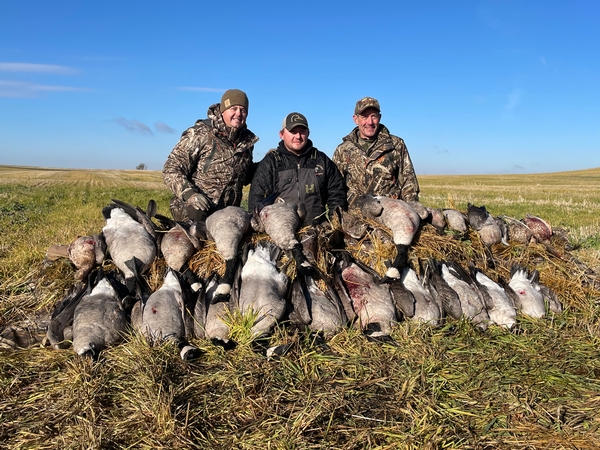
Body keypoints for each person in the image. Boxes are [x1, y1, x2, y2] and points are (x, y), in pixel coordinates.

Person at [163, 89, 259, 223]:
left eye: (243, 110)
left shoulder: (247, 142)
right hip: (195, 207)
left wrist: (268, 161)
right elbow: (171, 169)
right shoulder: (199, 133)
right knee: (198, 219)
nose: (238, 114)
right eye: (234, 108)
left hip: (226, 213)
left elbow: (245, 176)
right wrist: (190, 195)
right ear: (223, 110)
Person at [248, 112, 347, 225]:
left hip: (317, 229)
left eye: (302, 131)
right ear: (281, 134)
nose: (298, 136)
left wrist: (335, 225)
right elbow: (256, 200)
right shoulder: (271, 162)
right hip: (281, 232)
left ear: (308, 133)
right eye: (293, 132)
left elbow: (337, 194)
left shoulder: (321, 160)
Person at [332, 97, 420, 207]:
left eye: (374, 116)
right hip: (355, 217)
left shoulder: (396, 145)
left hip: (389, 215)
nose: (369, 122)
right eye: (364, 117)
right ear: (355, 119)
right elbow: (335, 189)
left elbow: (409, 184)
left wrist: (411, 212)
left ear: (380, 117)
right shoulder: (343, 150)